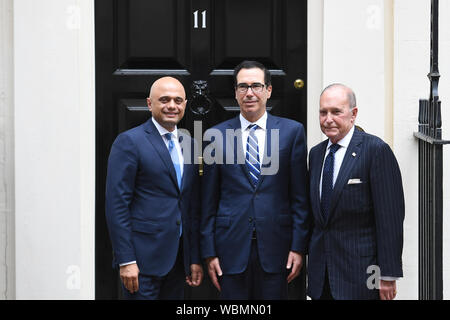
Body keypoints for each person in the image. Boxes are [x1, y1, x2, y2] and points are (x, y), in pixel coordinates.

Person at [200, 60, 310, 299]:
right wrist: (209, 252)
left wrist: (298, 247)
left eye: (256, 86)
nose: (249, 93)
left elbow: (299, 196)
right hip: (229, 250)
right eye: (243, 86)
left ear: (268, 91)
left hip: (277, 249)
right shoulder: (215, 136)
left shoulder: (292, 132)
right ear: (235, 92)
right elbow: (208, 200)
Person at [105, 76, 203, 299]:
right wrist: (126, 260)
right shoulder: (129, 141)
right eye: (164, 99)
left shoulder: (190, 144)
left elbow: (191, 205)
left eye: (178, 100)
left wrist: (194, 258)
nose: (172, 106)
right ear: (150, 103)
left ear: (185, 105)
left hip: (178, 262)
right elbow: (117, 205)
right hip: (141, 262)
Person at [307, 83, 405, 300]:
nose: (328, 119)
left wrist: (387, 275)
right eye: (323, 112)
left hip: (360, 276)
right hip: (321, 274)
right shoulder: (316, 155)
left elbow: (389, 219)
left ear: (353, 114)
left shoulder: (375, 151)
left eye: (336, 112)